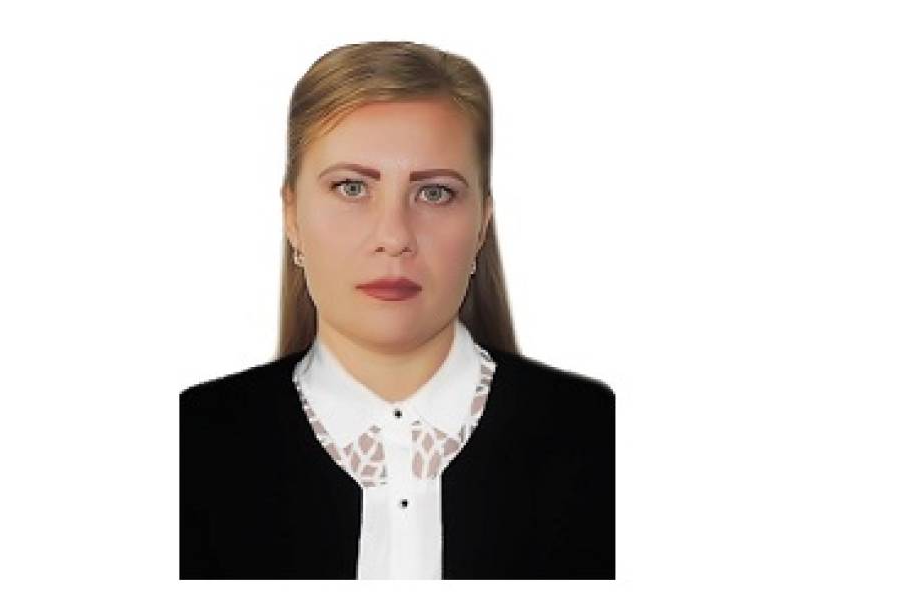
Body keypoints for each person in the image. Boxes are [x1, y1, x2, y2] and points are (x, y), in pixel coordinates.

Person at [180, 40, 615, 580]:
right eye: (352, 187)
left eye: (434, 193)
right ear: (292, 215)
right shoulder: (186, 446)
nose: (394, 236)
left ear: (482, 223)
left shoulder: (605, 440)